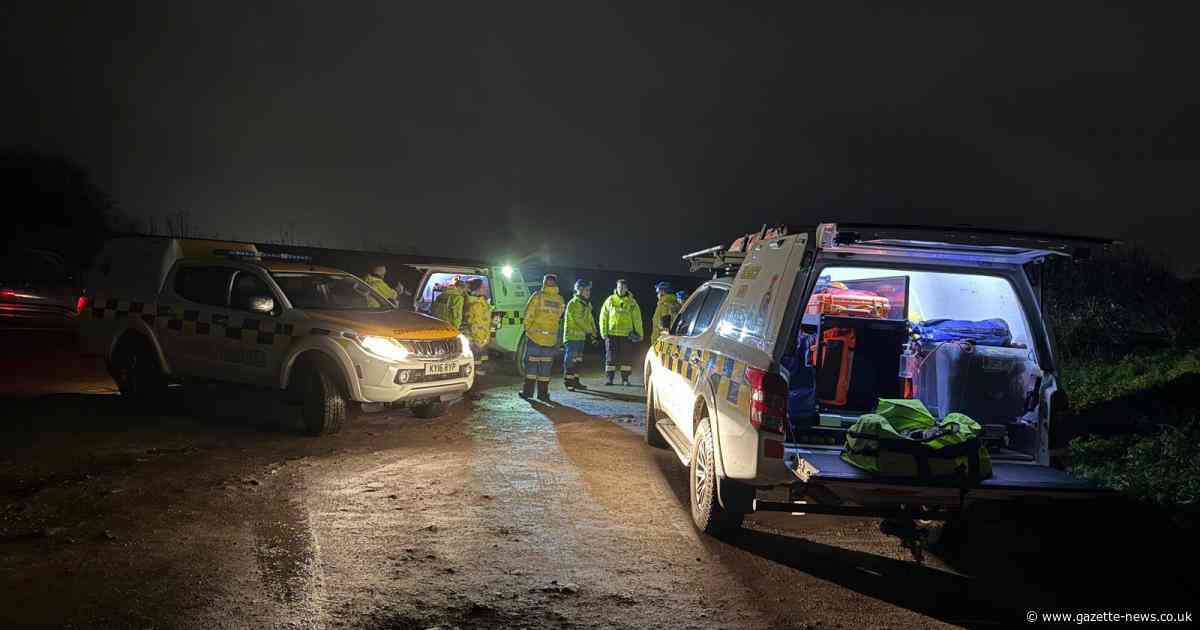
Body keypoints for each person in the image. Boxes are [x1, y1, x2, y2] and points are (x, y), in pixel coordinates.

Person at [520, 274, 566, 401]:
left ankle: (527, 392)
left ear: (544, 283)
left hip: (534, 337)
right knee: (545, 367)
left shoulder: (538, 296)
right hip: (550, 339)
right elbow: (559, 316)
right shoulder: (560, 300)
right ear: (555, 284)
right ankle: (543, 394)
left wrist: (527, 329)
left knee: (531, 366)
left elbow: (528, 313)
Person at [599, 278, 643, 386]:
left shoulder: (632, 302)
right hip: (611, 334)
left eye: (623, 287)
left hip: (626, 335)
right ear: (616, 287)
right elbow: (603, 317)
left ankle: (625, 379)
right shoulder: (610, 300)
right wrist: (603, 332)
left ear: (626, 288)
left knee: (626, 358)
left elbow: (637, 319)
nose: (620, 289)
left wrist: (639, 333)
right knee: (610, 357)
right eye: (619, 287)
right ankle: (610, 379)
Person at [562, 278, 597, 390]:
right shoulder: (573, 303)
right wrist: (590, 331)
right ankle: (568, 382)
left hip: (580, 337)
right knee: (570, 359)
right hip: (571, 337)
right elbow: (579, 320)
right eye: (586, 290)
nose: (588, 292)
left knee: (578, 360)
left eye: (589, 290)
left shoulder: (586, 304)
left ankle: (576, 381)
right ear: (580, 290)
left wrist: (594, 330)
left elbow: (590, 319)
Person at [462, 278, 493, 375]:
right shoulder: (475, 303)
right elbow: (475, 323)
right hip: (477, 337)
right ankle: (475, 375)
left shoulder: (480, 300)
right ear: (478, 289)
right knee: (476, 359)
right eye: (483, 286)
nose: (485, 288)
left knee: (481, 358)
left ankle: (478, 372)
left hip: (482, 336)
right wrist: (480, 339)